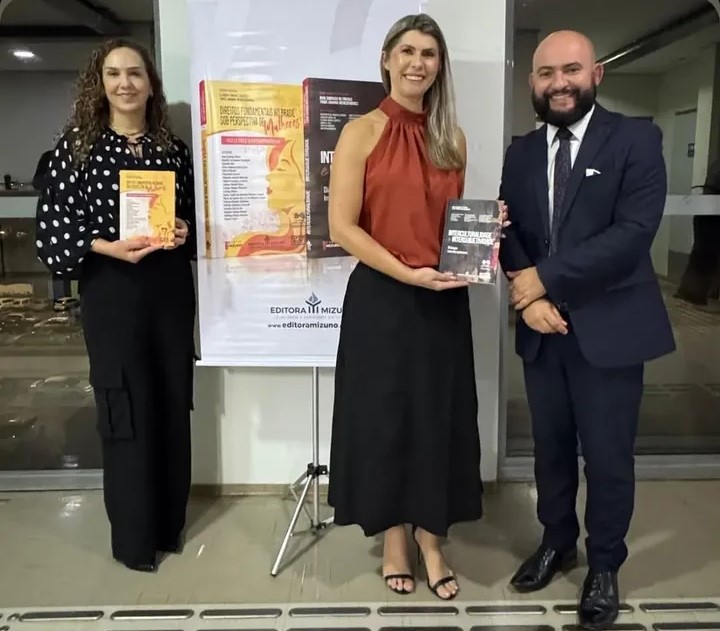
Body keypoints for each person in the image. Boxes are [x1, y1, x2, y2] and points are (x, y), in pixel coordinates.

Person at [498, 30, 675, 628]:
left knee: (606, 457)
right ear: (533, 82)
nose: (559, 83)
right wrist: (527, 300)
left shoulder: (636, 140)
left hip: (611, 330)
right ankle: (557, 542)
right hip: (541, 330)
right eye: (546, 73)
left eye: (571, 70)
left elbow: (633, 234)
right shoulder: (521, 151)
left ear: (596, 74)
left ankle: (604, 564)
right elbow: (508, 229)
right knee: (549, 450)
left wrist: (542, 279)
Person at [326, 13, 486, 601]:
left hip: (441, 300)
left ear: (440, 66)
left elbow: (448, 226)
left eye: (429, 54)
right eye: (408, 51)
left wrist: (482, 236)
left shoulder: (453, 138)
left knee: (437, 420)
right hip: (383, 299)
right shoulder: (361, 132)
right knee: (385, 421)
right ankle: (394, 537)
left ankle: (431, 539)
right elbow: (342, 228)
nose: (418, 63)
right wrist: (407, 274)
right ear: (387, 60)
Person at [35, 38, 197, 573]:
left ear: (150, 84)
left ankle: (168, 525)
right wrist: (106, 246)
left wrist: (182, 228)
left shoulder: (171, 149)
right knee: (124, 406)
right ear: (99, 84)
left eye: (135, 73)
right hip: (111, 290)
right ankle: (134, 539)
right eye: (113, 74)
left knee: (171, 399)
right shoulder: (77, 147)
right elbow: (53, 227)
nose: (125, 83)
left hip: (168, 291)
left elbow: (192, 219)